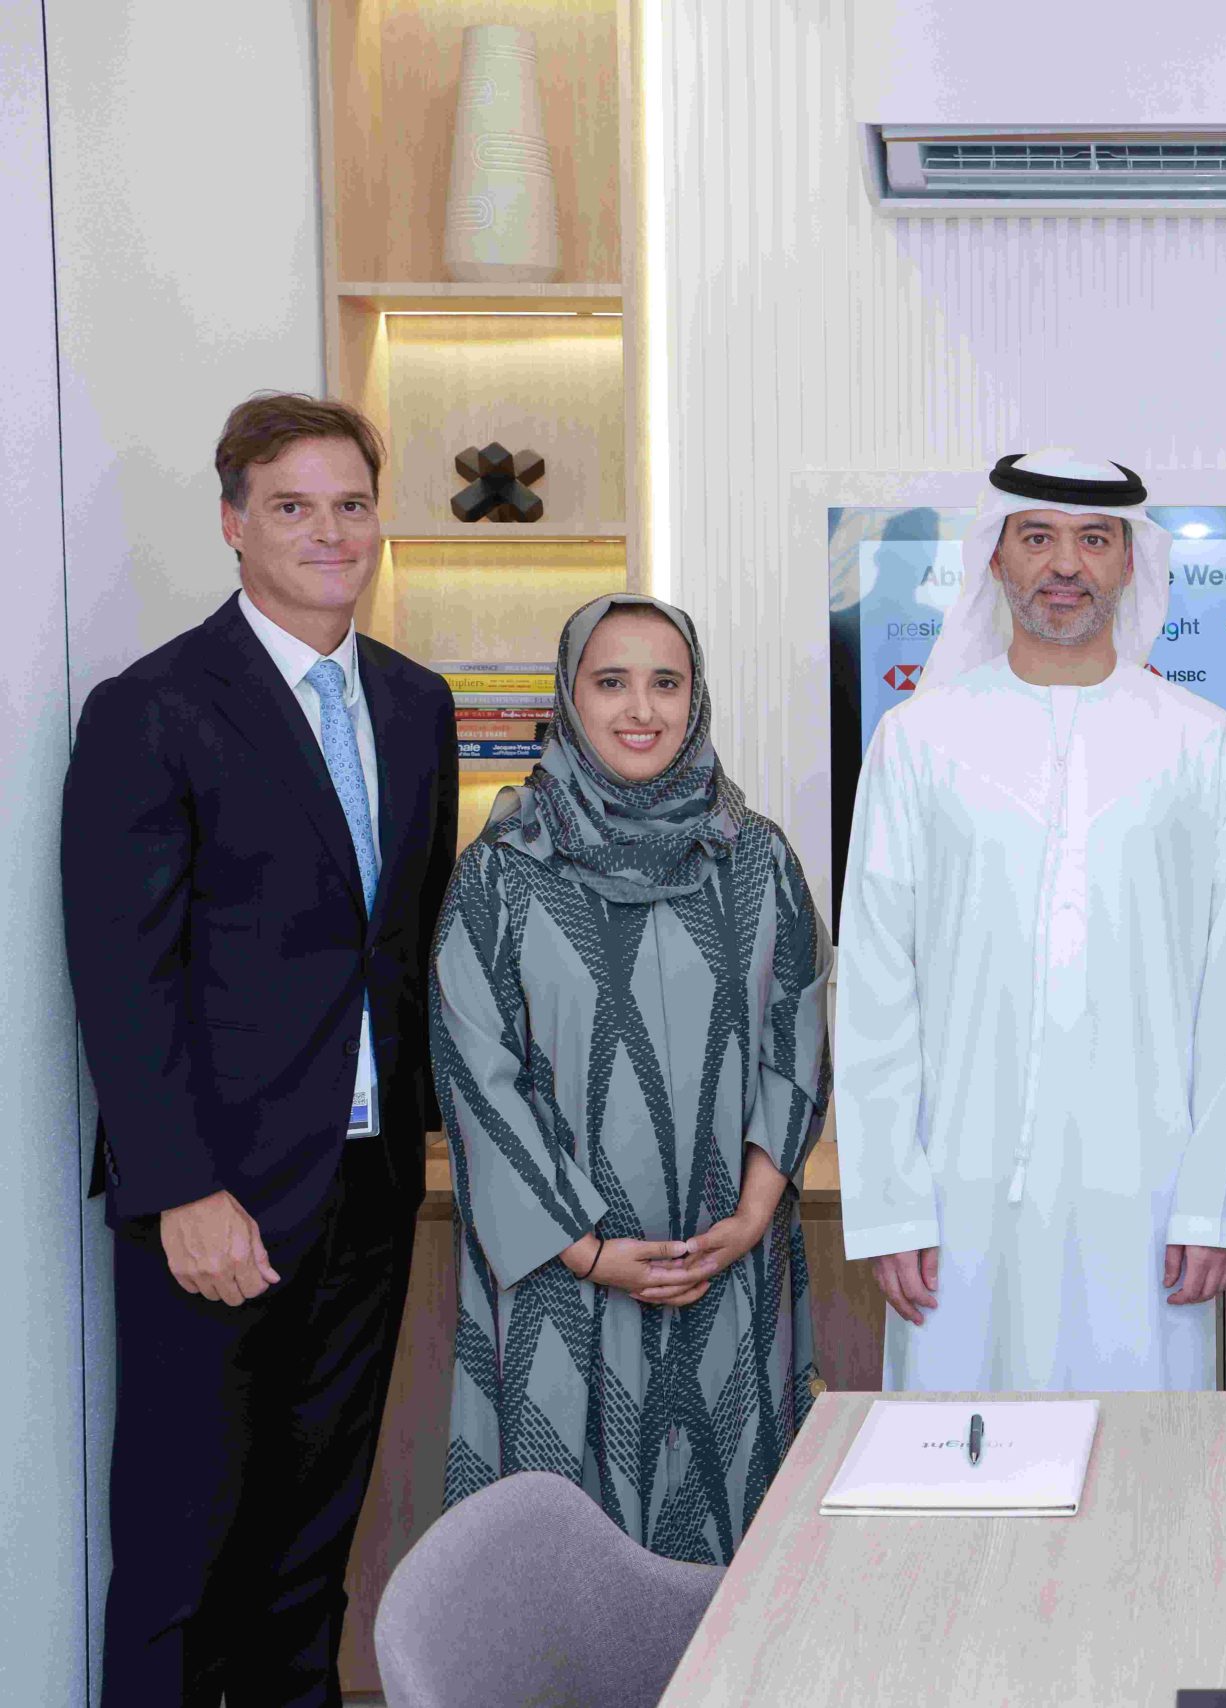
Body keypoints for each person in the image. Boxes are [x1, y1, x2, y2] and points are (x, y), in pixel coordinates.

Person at [62, 392, 458, 1706]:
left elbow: (405, 941)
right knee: (181, 1565)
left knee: (308, 1557)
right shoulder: (154, 707)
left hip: (367, 1189)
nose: (329, 533)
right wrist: (180, 1188)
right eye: (293, 507)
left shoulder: (415, 705)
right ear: (234, 524)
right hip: (217, 1202)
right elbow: (123, 975)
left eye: (351, 505)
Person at [834, 448, 1226, 1390]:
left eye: (1094, 540)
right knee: (959, 1452)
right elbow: (876, 987)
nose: (1065, 564)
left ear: (1129, 561)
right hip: (957, 1196)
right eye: (1038, 537)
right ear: (996, 556)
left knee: (1146, 1455)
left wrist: (1215, 1208)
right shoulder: (916, 740)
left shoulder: (1202, 743)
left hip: (1149, 1201)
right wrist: (892, 1205)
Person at [433, 593, 831, 1562]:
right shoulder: (503, 872)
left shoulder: (756, 860)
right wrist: (586, 1250)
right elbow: (477, 1073)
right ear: (569, 698)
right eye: (611, 682)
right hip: (562, 1283)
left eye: (666, 682)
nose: (641, 709)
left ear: (697, 698)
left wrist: (751, 1215)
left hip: (725, 1268)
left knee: (732, 1554)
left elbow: (796, 1033)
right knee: (564, 1568)